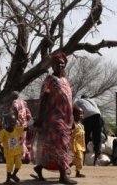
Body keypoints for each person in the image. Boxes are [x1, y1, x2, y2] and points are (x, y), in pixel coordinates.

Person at [32, 52, 76, 184]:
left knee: (54, 147)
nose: (60, 65)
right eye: (57, 63)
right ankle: (63, 175)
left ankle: (39, 168)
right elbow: (44, 99)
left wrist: (72, 118)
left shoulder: (66, 81)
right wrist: (40, 117)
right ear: (52, 65)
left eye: (62, 63)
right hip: (54, 118)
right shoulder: (50, 80)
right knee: (61, 145)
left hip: (66, 119)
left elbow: (69, 101)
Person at [0, 113, 27, 184]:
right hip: (8, 153)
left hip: (17, 152)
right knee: (9, 166)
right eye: (10, 122)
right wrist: (0, 148)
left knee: (19, 164)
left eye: (14, 121)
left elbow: (25, 128)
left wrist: (33, 124)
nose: (12, 123)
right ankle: (8, 180)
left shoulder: (16, 130)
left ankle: (13, 175)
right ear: (7, 122)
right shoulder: (3, 132)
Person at [74, 95, 102, 165]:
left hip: (88, 118)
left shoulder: (79, 101)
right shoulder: (92, 100)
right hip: (98, 117)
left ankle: (82, 162)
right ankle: (95, 162)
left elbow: (75, 109)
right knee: (97, 140)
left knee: (84, 139)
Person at [8, 91, 33, 162]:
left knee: (14, 140)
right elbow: (29, 114)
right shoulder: (24, 103)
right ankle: (26, 156)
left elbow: (12, 114)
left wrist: (11, 124)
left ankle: (17, 157)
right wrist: (30, 124)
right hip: (24, 125)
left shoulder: (14, 103)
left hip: (17, 125)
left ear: (12, 97)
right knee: (23, 141)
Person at [70, 106, 86, 178]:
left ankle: (68, 166)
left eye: (82, 114)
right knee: (80, 158)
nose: (81, 116)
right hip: (75, 144)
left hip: (81, 144)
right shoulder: (73, 124)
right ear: (73, 115)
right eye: (79, 114)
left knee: (77, 159)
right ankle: (78, 173)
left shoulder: (81, 124)